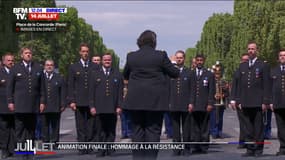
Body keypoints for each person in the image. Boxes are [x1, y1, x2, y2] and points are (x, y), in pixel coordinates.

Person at [123, 30, 179, 160]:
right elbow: (175, 73)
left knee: (137, 133)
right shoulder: (160, 55)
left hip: (135, 100)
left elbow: (125, 74)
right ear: (154, 42)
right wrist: (173, 63)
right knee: (153, 133)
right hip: (155, 101)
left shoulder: (131, 56)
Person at [7, 47, 46, 160]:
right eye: (26, 53)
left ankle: (30, 152)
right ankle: (23, 153)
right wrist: (10, 101)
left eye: (30, 53)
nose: (28, 55)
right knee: (20, 131)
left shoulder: (38, 67)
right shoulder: (15, 68)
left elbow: (42, 88)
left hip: (33, 104)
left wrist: (42, 102)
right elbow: (10, 87)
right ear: (21, 55)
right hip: (19, 104)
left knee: (31, 130)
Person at [235, 41, 270, 157]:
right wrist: (238, 100)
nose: (250, 51)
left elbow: (266, 84)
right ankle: (249, 149)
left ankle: (258, 149)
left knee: (258, 127)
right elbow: (239, 85)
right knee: (248, 128)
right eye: (249, 49)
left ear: (257, 51)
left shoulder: (262, 65)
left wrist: (265, 101)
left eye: (253, 49)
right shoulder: (242, 66)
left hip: (258, 102)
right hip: (245, 101)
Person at [67, 43, 99, 154]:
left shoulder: (95, 67)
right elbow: (70, 85)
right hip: (79, 100)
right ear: (80, 52)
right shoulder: (73, 67)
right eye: (83, 51)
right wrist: (71, 101)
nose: (85, 53)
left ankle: (89, 145)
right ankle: (82, 145)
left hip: (91, 100)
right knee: (80, 125)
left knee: (91, 125)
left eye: (87, 51)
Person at [89, 53, 123, 157]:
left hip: (112, 107)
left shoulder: (117, 74)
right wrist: (92, 106)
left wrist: (119, 106)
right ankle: (101, 150)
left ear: (111, 61)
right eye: (105, 60)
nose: (107, 61)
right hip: (99, 107)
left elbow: (120, 92)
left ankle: (110, 149)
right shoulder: (95, 74)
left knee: (111, 130)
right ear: (102, 61)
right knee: (100, 130)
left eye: (109, 60)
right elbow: (91, 92)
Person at [189, 54, 215, 154]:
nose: (199, 62)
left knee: (205, 127)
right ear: (195, 61)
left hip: (205, 105)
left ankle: (204, 146)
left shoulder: (209, 74)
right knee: (194, 126)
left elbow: (211, 90)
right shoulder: (191, 74)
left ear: (203, 61)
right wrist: (190, 103)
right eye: (198, 60)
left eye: (201, 60)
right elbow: (189, 89)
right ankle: (195, 146)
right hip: (194, 104)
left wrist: (210, 103)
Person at [169, 50, 192, 156]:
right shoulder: (171, 72)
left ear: (184, 59)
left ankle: (187, 148)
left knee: (186, 128)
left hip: (185, 104)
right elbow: (167, 89)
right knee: (175, 128)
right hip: (173, 104)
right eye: (177, 57)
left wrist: (191, 103)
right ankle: (176, 149)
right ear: (175, 59)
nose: (179, 59)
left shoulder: (189, 72)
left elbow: (192, 89)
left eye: (181, 57)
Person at [41, 60, 66, 144]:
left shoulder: (59, 77)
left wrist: (63, 104)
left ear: (54, 67)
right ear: (44, 66)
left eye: (51, 65)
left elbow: (63, 92)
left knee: (55, 125)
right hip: (43, 105)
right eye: (47, 65)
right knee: (44, 125)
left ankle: (55, 142)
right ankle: (46, 141)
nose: (49, 66)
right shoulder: (41, 77)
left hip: (55, 105)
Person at [229, 53, 249, 149]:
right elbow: (234, 86)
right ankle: (242, 141)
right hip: (240, 100)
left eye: (247, 60)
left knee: (251, 123)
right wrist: (232, 99)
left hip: (252, 100)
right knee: (242, 122)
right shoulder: (238, 71)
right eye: (243, 60)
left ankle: (251, 141)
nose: (245, 61)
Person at [269, 49, 285, 156]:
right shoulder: (273, 71)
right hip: (278, 103)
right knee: (280, 127)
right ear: (278, 58)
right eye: (281, 55)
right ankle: (283, 147)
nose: (283, 57)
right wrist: (270, 102)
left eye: (284, 55)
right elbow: (270, 88)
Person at [0, 53, 15, 159]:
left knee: (14, 128)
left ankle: (12, 149)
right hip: (3, 105)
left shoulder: (15, 71)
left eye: (12, 60)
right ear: (4, 61)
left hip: (15, 104)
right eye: (8, 60)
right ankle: (4, 149)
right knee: (4, 128)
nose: (11, 62)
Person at [210, 62, 229, 139]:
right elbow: (208, 91)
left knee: (220, 118)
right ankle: (214, 132)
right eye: (216, 73)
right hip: (214, 102)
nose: (217, 75)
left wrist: (222, 95)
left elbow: (227, 93)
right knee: (213, 118)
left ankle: (219, 132)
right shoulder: (211, 81)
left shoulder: (223, 82)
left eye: (218, 74)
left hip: (221, 102)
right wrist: (214, 95)